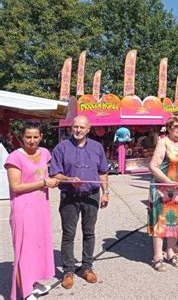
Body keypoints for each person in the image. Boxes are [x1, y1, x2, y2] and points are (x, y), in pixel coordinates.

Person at [50, 115, 110, 289]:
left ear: (88, 129)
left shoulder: (97, 147)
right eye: (75, 127)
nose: (78, 130)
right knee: (68, 234)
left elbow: (103, 172)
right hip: (69, 196)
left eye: (82, 127)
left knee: (89, 232)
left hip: (91, 195)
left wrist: (106, 193)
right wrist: (69, 179)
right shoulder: (61, 148)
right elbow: (55, 174)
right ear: (71, 128)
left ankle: (86, 267)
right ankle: (68, 270)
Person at [4, 121, 59, 300]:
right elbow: (16, 186)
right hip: (23, 209)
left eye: (36, 137)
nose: (32, 141)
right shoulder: (14, 157)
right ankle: (25, 291)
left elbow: (46, 174)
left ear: (41, 137)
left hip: (40, 207)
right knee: (23, 250)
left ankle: (33, 282)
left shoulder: (44, 153)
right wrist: (44, 183)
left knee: (37, 246)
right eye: (28, 137)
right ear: (22, 137)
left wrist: (58, 179)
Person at [148, 117, 178, 272]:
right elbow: (153, 166)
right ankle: (158, 256)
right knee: (161, 222)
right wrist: (168, 182)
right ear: (169, 128)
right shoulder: (163, 142)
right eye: (175, 126)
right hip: (163, 188)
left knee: (175, 222)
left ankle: (170, 252)